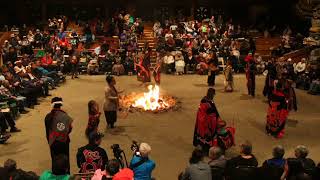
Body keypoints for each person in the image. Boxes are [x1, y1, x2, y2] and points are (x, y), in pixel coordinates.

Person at [45, 97, 73, 173]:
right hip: (64, 142)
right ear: (61, 105)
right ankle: (66, 175)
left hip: (53, 142)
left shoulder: (48, 116)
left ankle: (55, 174)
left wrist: (49, 141)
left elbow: (47, 131)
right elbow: (69, 129)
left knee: (55, 159)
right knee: (65, 159)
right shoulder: (65, 116)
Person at [193, 88, 220, 154]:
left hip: (209, 121)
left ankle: (206, 148)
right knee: (206, 135)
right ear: (212, 94)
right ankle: (206, 149)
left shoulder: (207, 100)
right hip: (206, 122)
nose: (214, 95)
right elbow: (204, 113)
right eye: (213, 94)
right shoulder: (205, 102)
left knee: (206, 136)